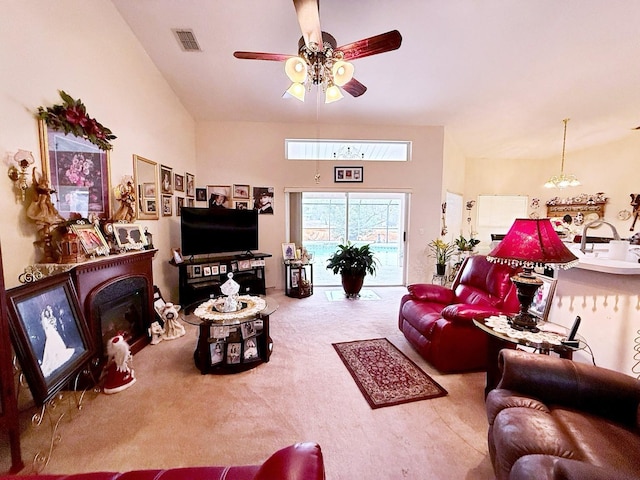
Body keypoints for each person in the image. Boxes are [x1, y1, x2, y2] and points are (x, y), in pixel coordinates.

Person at [39, 305, 76, 377]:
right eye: (47, 312)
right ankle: (54, 356)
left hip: (52, 330)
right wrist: (49, 326)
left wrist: (52, 323)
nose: (48, 313)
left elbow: (54, 322)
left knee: (57, 342)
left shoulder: (51, 317)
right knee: (51, 342)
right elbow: (46, 325)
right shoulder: (44, 320)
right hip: (49, 331)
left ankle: (57, 352)